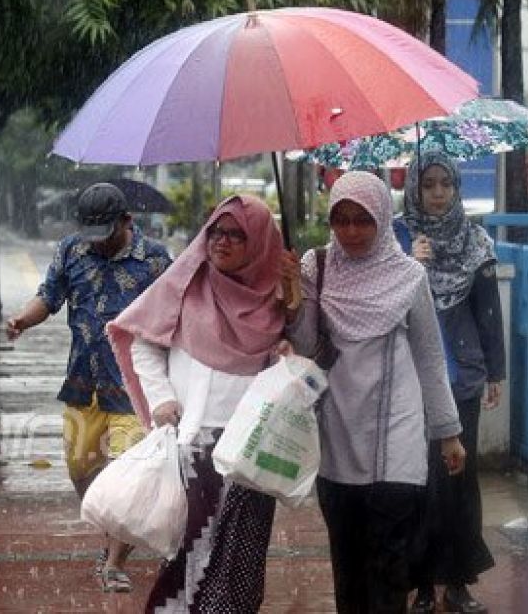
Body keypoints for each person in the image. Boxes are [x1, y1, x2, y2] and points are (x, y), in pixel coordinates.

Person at [282, 171, 467, 614]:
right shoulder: (315, 267)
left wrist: (448, 431)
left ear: (383, 219)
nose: (350, 232)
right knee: (347, 566)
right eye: (340, 220)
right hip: (337, 435)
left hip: (396, 440)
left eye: (362, 220)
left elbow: (428, 356)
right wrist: (291, 296)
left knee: (389, 567)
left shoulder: (408, 276)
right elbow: (306, 347)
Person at [107, 194, 290, 613]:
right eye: (216, 232)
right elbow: (144, 343)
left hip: (251, 451)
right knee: (188, 551)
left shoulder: (279, 297)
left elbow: (306, 356)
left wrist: (292, 321)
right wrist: (162, 399)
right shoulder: (185, 285)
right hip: (194, 443)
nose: (222, 243)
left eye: (237, 235)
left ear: (259, 242)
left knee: (241, 560)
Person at [5, 182, 172, 593]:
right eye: (91, 235)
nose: (97, 245)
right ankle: (114, 530)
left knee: (130, 477)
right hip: (85, 381)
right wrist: (23, 320)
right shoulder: (71, 251)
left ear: (127, 222)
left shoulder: (155, 260)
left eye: (107, 234)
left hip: (135, 388)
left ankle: (115, 561)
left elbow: (177, 313)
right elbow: (49, 296)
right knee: (81, 469)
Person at [395, 151, 505, 614]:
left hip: (462, 379)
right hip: (412, 380)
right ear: (414, 189)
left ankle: (459, 582)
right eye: (428, 184)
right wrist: (407, 263)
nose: (438, 193)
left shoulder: (476, 242)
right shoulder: (396, 237)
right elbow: (383, 305)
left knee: (460, 481)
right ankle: (421, 584)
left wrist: (496, 372)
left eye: (446, 184)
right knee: (419, 481)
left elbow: (488, 312)